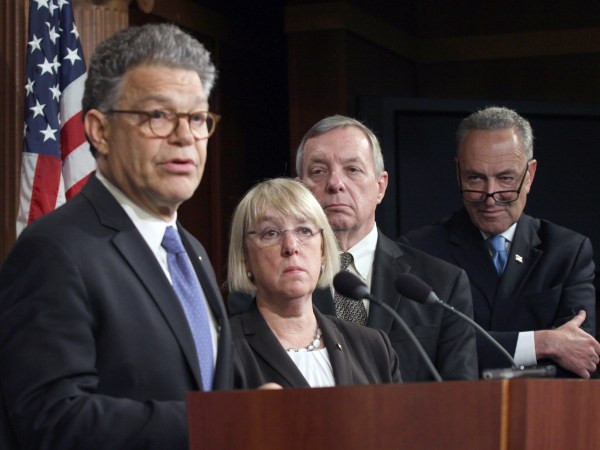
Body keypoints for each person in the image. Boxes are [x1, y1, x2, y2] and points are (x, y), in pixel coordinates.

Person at [0, 24, 232, 450]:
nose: (185, 137)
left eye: (197, 118)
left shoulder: (191, 252)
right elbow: (51, 420)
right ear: (100, 131)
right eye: (158, 116)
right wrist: (214, 423)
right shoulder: (54, 250)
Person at [230, 115, 478, 382]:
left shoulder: (440, 284)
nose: (335, 184)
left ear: (380, 186)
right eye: (319, 171)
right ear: (299, 189)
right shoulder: (266, 283)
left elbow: (460, 396)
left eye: (352, 169)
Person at [401, 106, 600, 378]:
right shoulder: (420, 251)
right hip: (454, 403)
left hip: (543, 403)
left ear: (529, 175)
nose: (490, 195)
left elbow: (580, 354)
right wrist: (543, 343)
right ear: (458, 173)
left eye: (505, 178)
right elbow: (423, 351)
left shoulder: (568, 251)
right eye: (475, 178)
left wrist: (472, 348)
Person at [228, 178, 402, 388]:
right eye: (270, 233)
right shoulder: (222, 348)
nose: (291, 246)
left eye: (304, 231)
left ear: (322, 251)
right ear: (244, 257)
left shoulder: (374, 348)